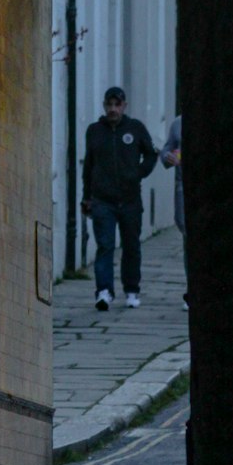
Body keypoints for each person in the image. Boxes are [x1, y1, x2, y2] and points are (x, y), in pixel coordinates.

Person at [80, 87, 157, 311]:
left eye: (117, 105)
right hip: (103, 199)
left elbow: (151, 154)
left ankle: (131, 289)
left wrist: (139, 173)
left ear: (124, 106)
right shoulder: (95, 131)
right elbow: (89, 165)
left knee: (131, 245)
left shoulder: (135, 128)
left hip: (130, 198)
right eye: (109, 105)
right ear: (104, 106)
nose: (113, 109)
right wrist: (87, 197)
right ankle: (104, 291)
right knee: (105, 245)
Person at [161, 114, 188, 308]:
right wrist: (168, 157)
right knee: (188, 238)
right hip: (183, 188)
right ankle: (191, 288)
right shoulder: (178, 123)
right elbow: (166, 150)